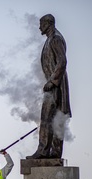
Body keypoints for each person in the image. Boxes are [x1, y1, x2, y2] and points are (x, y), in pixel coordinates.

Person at [27, 14, 72, 159]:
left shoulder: (55, 39)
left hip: (55, 85)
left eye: (41, 24)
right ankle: (54, 152)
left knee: (47, 118)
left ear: (49, 23)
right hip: (54, 84)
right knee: (55, 119)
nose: (39, 27)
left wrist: (52, 81)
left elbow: (62, 62)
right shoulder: (49, 40)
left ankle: (43, 151)